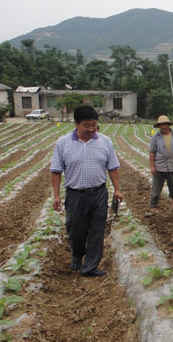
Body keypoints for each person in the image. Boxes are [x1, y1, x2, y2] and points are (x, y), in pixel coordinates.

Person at [50, 105, 122, 277]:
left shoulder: (105, 141)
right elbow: (55, 171)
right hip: (75, 195)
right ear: (76, 124)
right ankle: (77, 254)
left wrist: (117, 189)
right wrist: (56, 195)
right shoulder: (63, 143)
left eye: (94, 125)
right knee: (75, 229)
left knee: (97, 231)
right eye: (86, 125)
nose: (91, 129)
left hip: (98, 193)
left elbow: (113, 168)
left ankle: (90, 266)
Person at [146, 115, 173, 216]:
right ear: (159, 126)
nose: (163, 127)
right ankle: (153, 207)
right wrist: (152, 166)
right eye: (161, 125)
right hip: (159, 166)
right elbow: (152, 152)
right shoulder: (156, 137)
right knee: (156, 188)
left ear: (168, 125)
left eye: (165, 125)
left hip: (172, 165)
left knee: (172, 186)